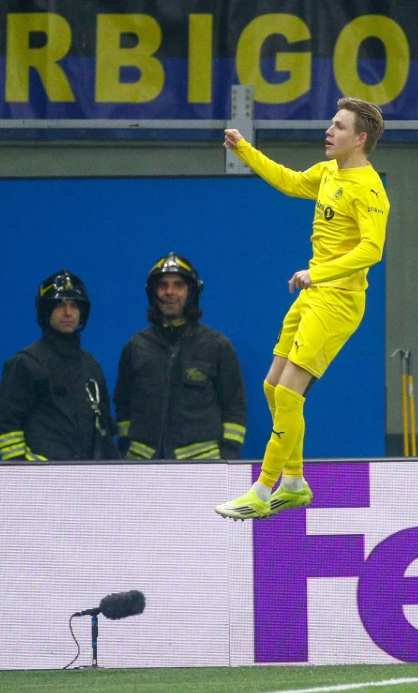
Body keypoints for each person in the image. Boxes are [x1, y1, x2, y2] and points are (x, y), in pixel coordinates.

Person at [215, 97, 389, 519]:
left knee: (290, 393)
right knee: (273, 387)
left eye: (339, 126)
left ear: (360, 138)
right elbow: (292, 182)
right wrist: (244, 149)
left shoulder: (369, 189)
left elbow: (373, 249)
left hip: (338, 300)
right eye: (331, 124)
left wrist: (322, 272)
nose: (329, 132)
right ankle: (293, 481)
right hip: (313, 294)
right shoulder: (329, 172)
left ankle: (261, 489)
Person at [114, 253, 248, 461]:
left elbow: (235, 407)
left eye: (178, 285)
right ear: (153, 293)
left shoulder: (216, 345)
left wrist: (228, 455)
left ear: (191, 293)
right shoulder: (136, 346)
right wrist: (126, 449)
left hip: (202, 466)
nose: (170, 292)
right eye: (163, 285)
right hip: (141, 465)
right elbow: (122, 406)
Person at [0, 269, 120, 461]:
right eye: (59, 305)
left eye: (74, 305)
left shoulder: (91, 366)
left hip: (87, 477)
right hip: (40, 480)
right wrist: (23, 467)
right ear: (45, 311)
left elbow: (103, 428)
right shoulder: (26, 363)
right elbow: (6, 424)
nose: (68, 313)